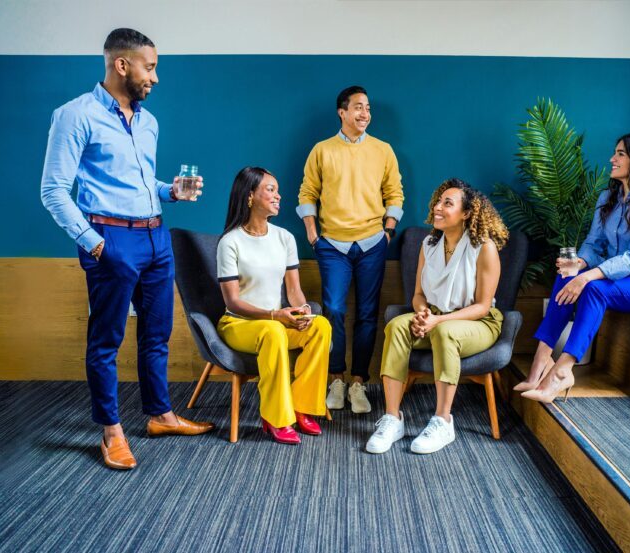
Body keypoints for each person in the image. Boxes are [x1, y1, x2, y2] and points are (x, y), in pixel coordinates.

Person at [40, 28, 214, 470]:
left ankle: (160, 415)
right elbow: (54, 190)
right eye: (149, 67)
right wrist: (95, 244)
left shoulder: (149, 121)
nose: (155, 77)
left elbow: (141, 185)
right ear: (122, 64)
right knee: (106, 341)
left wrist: (170, 191)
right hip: (111, 239)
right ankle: (111, 431)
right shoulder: (74, 115)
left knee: (156, 335)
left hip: (157, 236)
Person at [516, 133, 630, 403]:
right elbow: (594, 243)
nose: (612, 159)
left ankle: (563, 371)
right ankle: (541, 361)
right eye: (615, 152)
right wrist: (579, 264)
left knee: (593, 289)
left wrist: (588, 276)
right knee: (567, 274)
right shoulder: (608, 197)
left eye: (620, 154)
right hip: (618, 274)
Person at [365, 179, 508, 455]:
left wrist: (437, 322)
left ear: (467, 213)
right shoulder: (428, 244)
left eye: (447, 203)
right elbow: (418, 294)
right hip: (435, 318)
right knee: (397, 326)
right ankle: (392, 419)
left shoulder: (484, 247)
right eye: (438, 201)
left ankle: (443, 422)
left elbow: (481, 306)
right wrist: (422, 314)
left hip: (477, 322)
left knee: (445, 332)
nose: (438, 207)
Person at [297, 85, 405, 414]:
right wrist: (314, 234)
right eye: (358, 107)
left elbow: (395, 193)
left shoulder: (383, 150)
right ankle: (336, 379)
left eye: (368, 108)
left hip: (373, 242)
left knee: (368, 315)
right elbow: (307, 192)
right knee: (333, 311)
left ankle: (358, 382)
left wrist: (388, 231)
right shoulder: (322, 150)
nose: (365, 114)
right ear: (342, 112)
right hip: (332, 245)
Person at [217, 167, 332, 445]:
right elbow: (232, 301)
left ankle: (301, 407)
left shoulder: (284, 238)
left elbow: (293, 290)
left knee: (320, 325)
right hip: (238, 324)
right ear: (249, 195)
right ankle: (276, 417)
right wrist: (274, 315)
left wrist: (303, 310)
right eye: (270, 189)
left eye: (277, 190)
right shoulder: (230, 242)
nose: (278, 196)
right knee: (273, 331)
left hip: (275, 321)